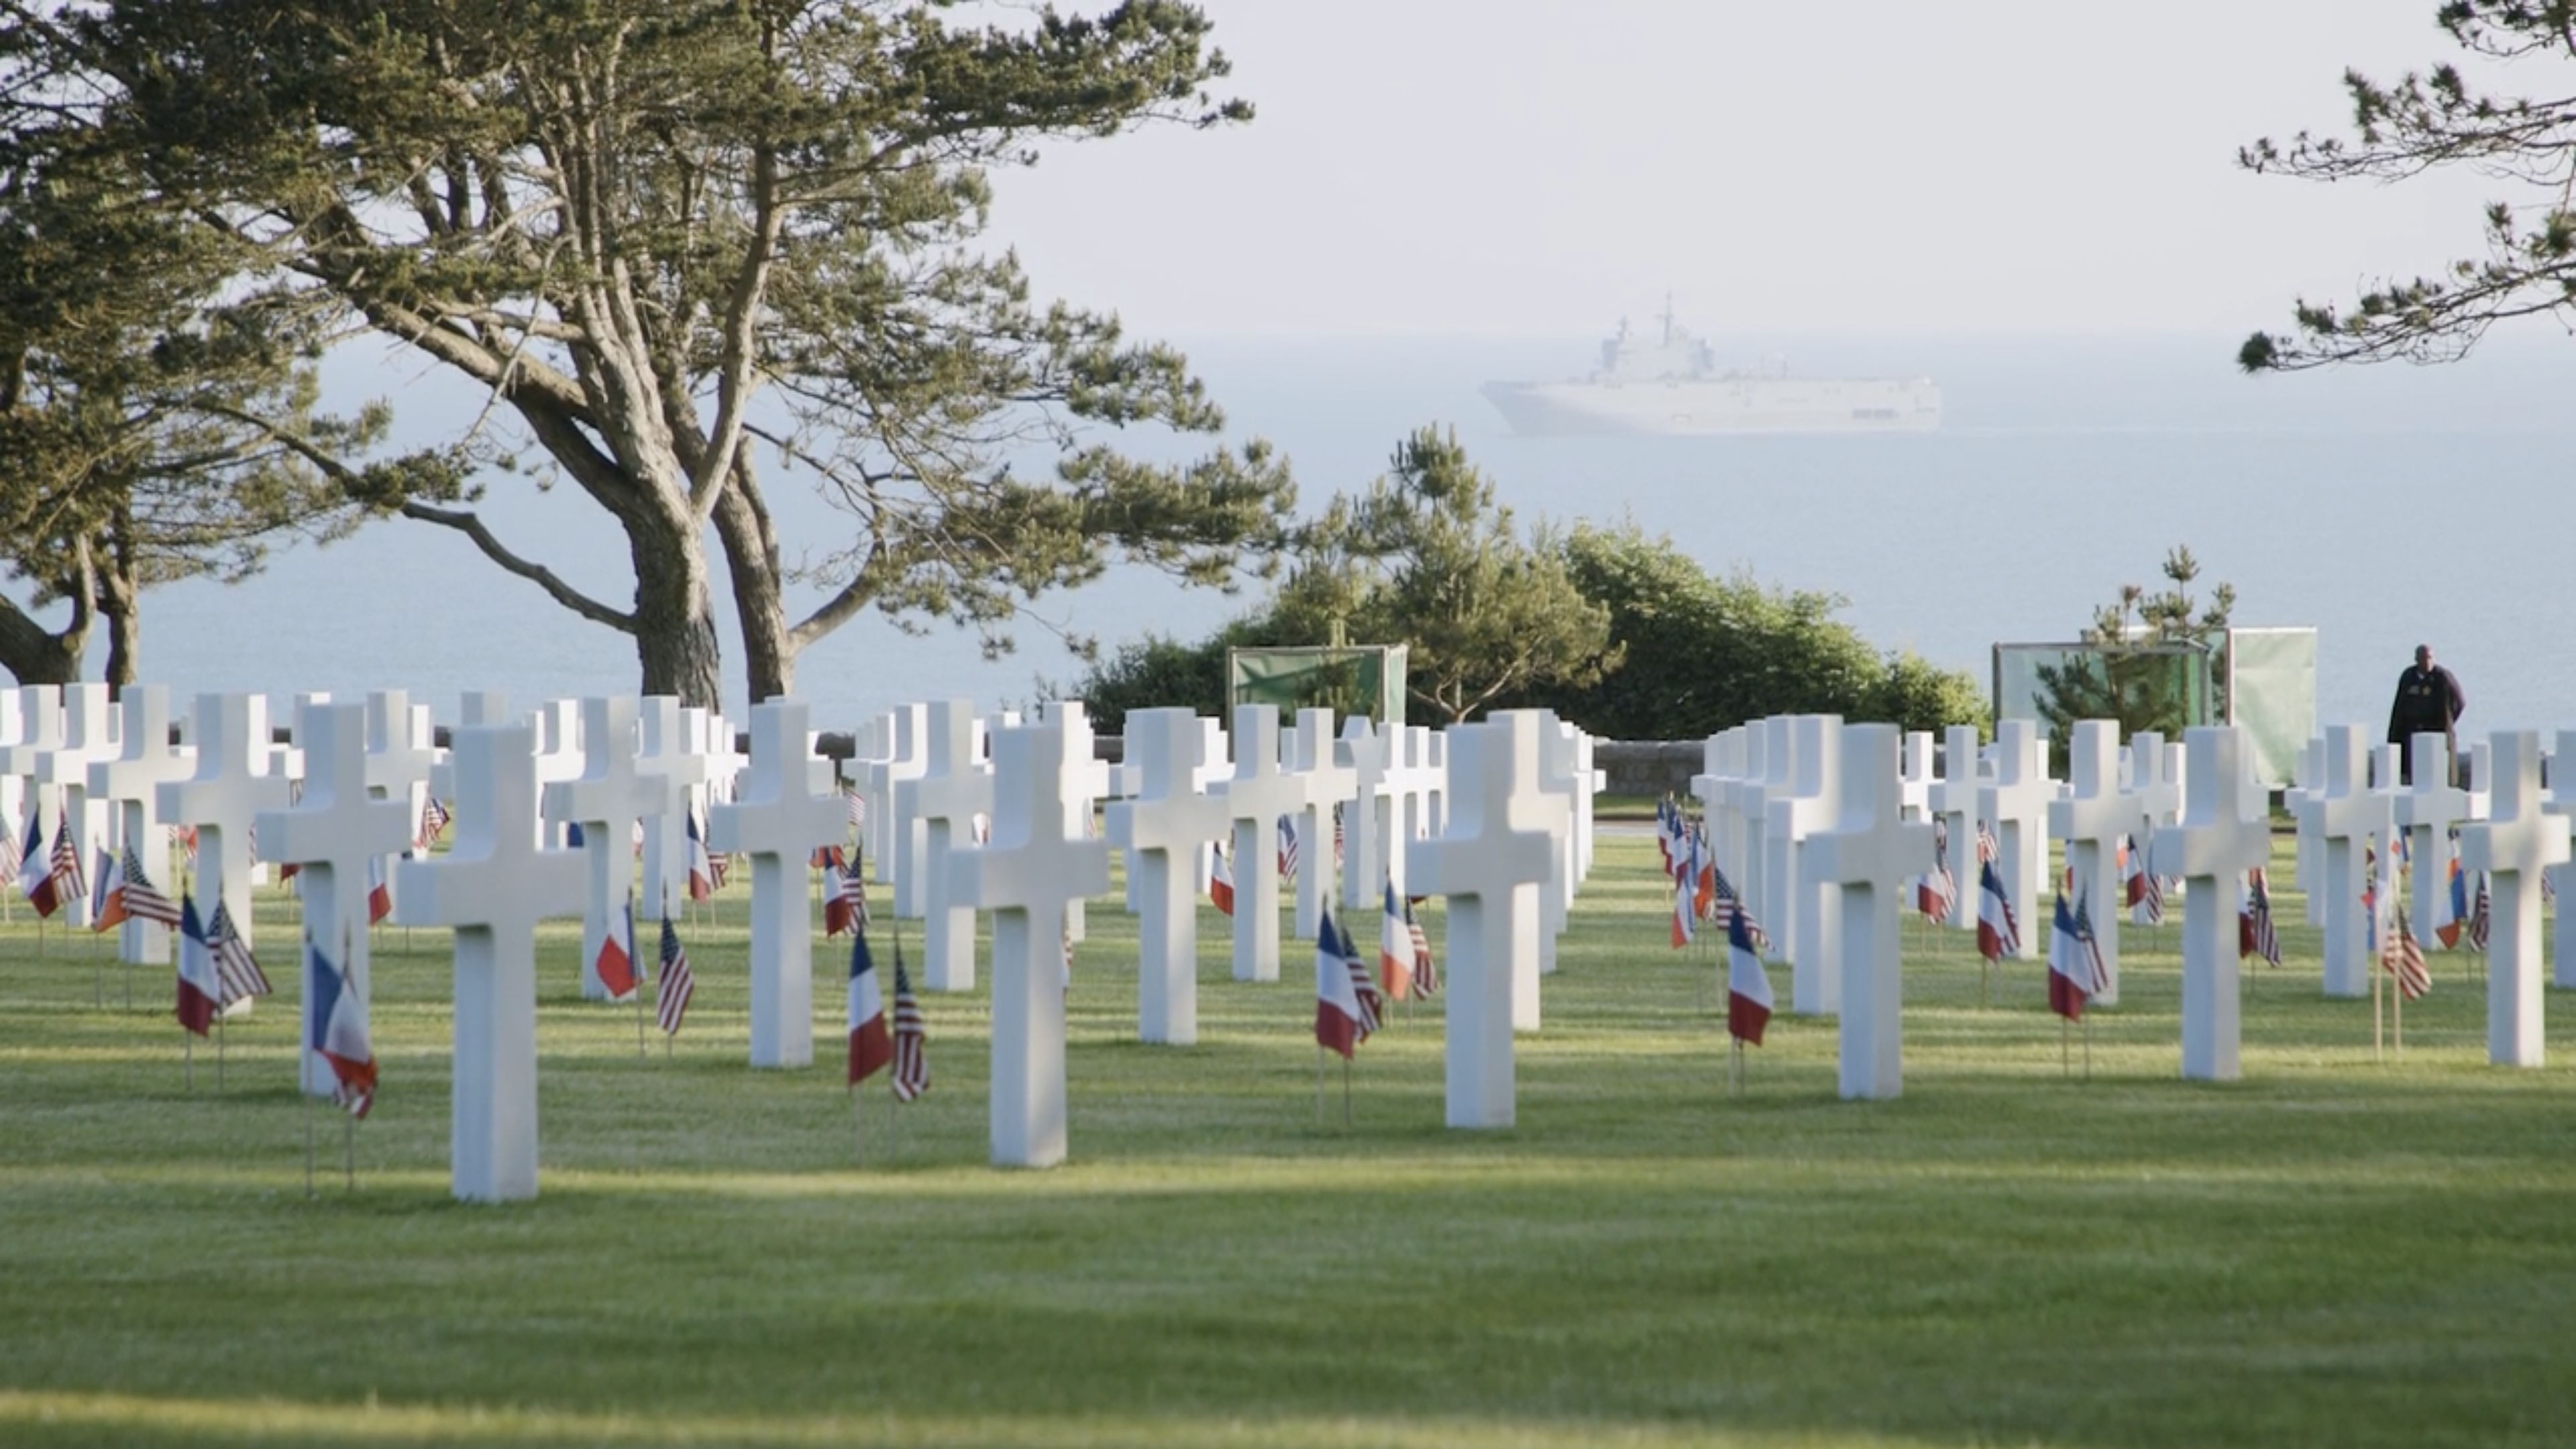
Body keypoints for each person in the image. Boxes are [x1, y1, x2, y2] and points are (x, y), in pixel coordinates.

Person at [2386, 644, 2465, 786]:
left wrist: (2448, 722)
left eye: (2430, 658)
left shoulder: (2443, 678)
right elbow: (2399, 709)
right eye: (2424, 658)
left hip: (2438, 737)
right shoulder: (2408, 678)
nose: (2427, 662)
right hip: (2413, 738)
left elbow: (2459, 702)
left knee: (2442, 779)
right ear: (2416, 659)